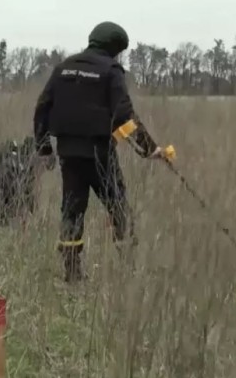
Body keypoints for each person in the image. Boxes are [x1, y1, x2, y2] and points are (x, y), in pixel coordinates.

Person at [32, 21, 162, 283]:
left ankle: (71, 272)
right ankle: (128, 266)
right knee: (117, 206)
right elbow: (124, 117)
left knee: (72, 209)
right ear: (114, 48)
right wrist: (149, 148)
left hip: (69, 154)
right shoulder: (111, 71)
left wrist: (45, 149)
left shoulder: (63, 67)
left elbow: (42, 109)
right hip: (100, 155)